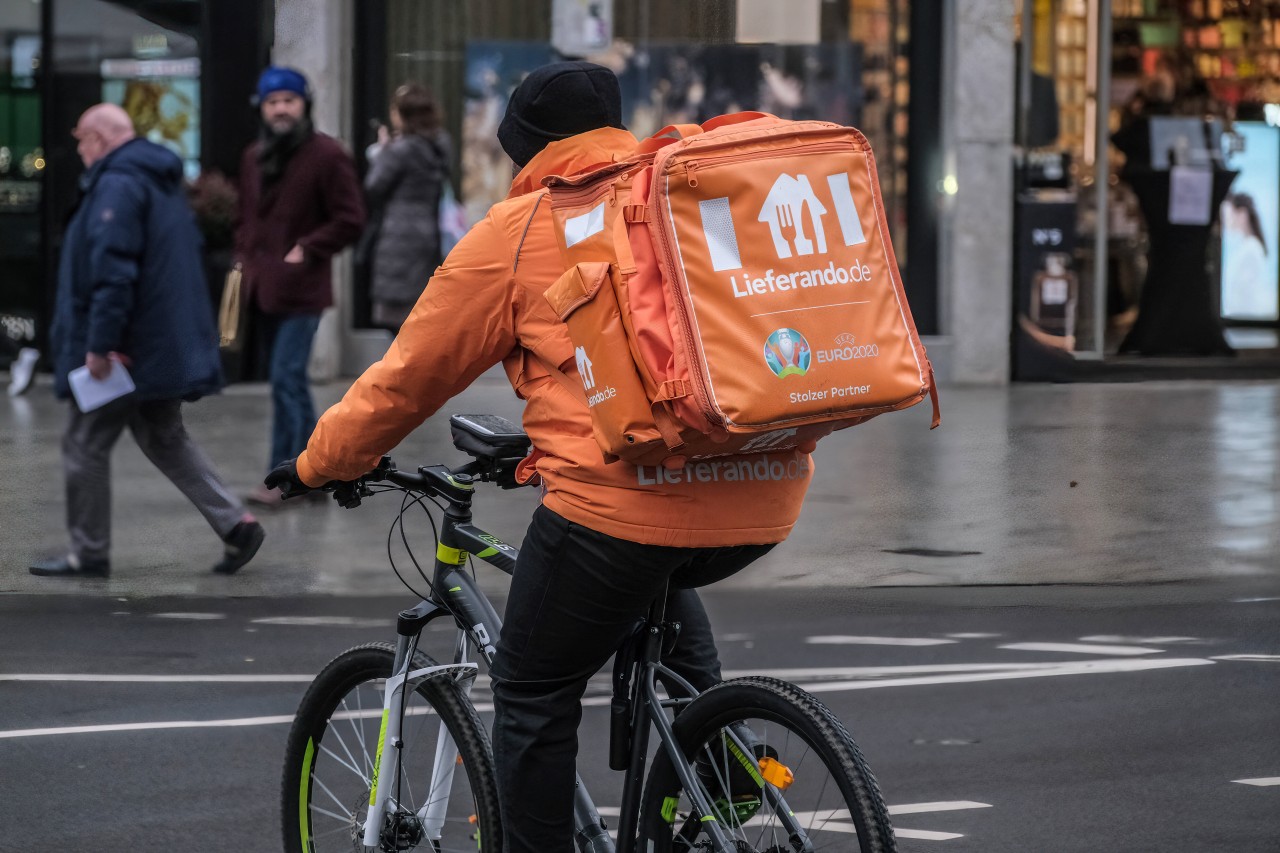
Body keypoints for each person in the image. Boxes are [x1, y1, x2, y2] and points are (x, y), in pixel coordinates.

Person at [265, 62, 817, 852]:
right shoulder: (682, 199)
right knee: (651, 570)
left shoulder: (524, 229)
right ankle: (720, 761)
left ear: (526, 146)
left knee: (530, 690)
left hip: (622, 507)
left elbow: (405, 379)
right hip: (766, 490)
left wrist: (321, 463)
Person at [30, 103, 264, 580]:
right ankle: (236, 525)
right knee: (164, 436)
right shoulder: (154, 179)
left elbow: (114, 273)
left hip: (129, 350)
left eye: (81, 139)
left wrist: (100, 345)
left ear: (99, 137)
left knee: (84, 442)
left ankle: (87, 553)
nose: (79, 150)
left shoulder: (117, 183)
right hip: (155, 346)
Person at [235, 66, 365, 506]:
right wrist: (244, 257)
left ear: (304, 104)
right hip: (264, 287)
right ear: (262, 108)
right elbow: (248, 218)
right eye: (273, 102)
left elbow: (351, 219)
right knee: (288, 383)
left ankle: (282, 481)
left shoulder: (327, 155)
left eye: (289, 100)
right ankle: (317, 472)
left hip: (304, 288)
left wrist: (307, 248)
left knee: (285, 379)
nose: (281, 109)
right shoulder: (254, 155)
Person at [361, 82, 451, 332]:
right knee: (421, 311)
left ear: (400, 114)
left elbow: (374, 186)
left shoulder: (400, 150)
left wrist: (382, 150)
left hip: (399, 236)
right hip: (430, 231)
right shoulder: (440, 144)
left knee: (399, 319)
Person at [1220, 192, 1277, 319]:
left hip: (1244, 320)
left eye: (1230, 214)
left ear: (1242, 214)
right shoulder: (1247, 246)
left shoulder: (1251, 248)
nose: (1227, 220)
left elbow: (1243, 294)